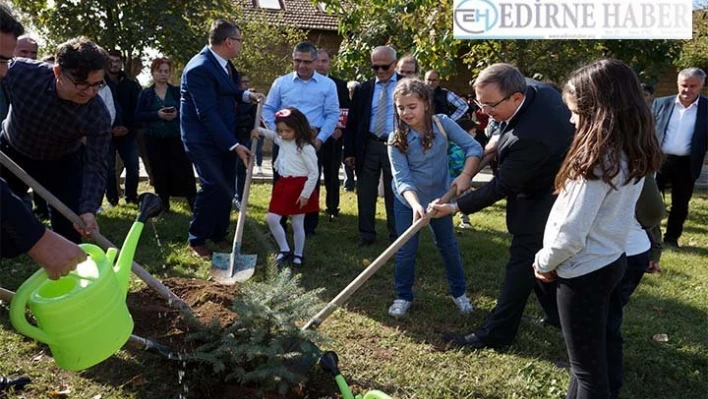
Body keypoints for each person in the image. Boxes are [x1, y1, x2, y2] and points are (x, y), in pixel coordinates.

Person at [532, 59, 663, 399]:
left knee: (588, 371)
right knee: (590, 361)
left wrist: (545, 262)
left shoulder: (595, 163)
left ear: (601, 110)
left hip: (582, 270)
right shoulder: (630, 151)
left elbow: (571, 232)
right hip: (609, 260)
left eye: (576, 112)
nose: (571, 119)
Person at [430, 63, 574, 349]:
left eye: (489, 105)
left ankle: (496, 335)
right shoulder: (531, 87)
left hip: (545, 198)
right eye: (478, 103)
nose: (483, 112)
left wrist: (455, 207)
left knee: (522, 262)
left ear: (516, 98)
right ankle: (558, 315)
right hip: (536, 182)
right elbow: (501, 130)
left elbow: (501, 186)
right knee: (536, 259)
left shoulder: (533, 136)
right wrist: (468, 172)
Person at [0, 36, 112, 243]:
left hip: (61, 163)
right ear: (58, 72)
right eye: (82, 84)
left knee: (70, 228)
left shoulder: (97, 115)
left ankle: (66, 270)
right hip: (10, 151)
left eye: (97, 84)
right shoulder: (22, 73)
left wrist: (88, 208)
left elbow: (96, 165)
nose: (90, 92)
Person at [387, 78, 482, 317]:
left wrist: (465, 175)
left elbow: (474, 148)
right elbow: (402, 179)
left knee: (448, 246)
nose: (406, 112)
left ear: (426, 104)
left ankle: (459, 293)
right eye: (401, 107)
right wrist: (416, 205)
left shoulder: (443, 124)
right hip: (408, 202)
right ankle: (403, 296)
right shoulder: (395, 139)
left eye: (412, 106)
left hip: (441, 200)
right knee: (406, 249)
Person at [180, 19, 263, 259]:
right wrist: (235, 145)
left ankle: (218, 233)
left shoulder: (223, 64)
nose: (240, 45)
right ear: (228, 42)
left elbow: (226, 90)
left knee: (226, 185)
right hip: (203, 139)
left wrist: (247, 96)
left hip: (224, 135)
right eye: (239, 40)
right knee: (213, 185)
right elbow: (206, 113)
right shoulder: (199, 68)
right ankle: (197, 239)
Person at [262, 42, 339, 236]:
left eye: (306, 62)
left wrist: (320, 139)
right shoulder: (281, 83)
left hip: (311, 141)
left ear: (315, 61)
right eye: (297, 61)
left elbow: (332, 114)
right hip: (284, 141)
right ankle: (279, 223)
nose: (302, 66)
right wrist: (277, 132)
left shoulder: (328, 85)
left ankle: (308, 226)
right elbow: (268, 109)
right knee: (281, 181)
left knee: (310, 181)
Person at [343, 46, 400, 247]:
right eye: (376, 67)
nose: (381, 71)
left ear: (395, 63)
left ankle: (397, 235)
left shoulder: (407, 86)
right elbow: (352, 123)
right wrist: (349, 151)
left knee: (396, 192)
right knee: (366, 191)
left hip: (397, 145)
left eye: (385, 67)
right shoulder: (364, 89)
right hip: (369, 145)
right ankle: (366, 234)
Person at [254, 108, 318, 266]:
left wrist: (305, 194)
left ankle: (298, 254)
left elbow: (314, 173)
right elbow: (272, 135)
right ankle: (284, 249)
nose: (283, 134)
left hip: (299, 187)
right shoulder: (282, 139)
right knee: (272, 218)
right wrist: (258, 130)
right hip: (283, 185)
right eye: (280, 131)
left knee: (297, 223)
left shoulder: (305, 148)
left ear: (299, 128)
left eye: (287, 131)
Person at [652, 67, 708, 248]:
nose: (687, 90)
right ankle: (647, 235)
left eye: (693, 86)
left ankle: (671, 238)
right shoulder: (661, 104)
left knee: (680, 204)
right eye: (684, 85)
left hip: (687, 163)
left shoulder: (706, 109)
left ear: (701, 86)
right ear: (678, 84)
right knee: (649, 198)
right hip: (659, 159)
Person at [136, 57, 196, 212]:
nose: (163, 74)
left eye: (166, 71)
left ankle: (194, 203)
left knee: (184, 170)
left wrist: (176, 113)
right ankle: (163, 205)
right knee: (159, 171)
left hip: (176, 138)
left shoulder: (176, 92)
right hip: (154, 138)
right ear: (153, 72)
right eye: (159, 71)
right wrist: (157, 115)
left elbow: (188, 110)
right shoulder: (146, 94)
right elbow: (138, 115)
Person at [315, 48, 350, 221]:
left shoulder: (340, 85)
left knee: (332, 175)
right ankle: (310, 209)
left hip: (333, 139)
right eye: (318, 61)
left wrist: (340, 129)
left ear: (330, 63)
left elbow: (346, 110)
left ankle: (332, 208)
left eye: (324, 61)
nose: (320, 65)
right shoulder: (307, 84)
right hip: (312, 137)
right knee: (311, 174)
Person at [105, 49, 141, 206]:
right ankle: (112, 199)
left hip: (128, 132)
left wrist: (128, 127)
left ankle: (131, 197)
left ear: (122, 63)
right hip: (106, 133)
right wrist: (109, 128)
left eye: (117, 61)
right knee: (108, 168)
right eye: (111, 61)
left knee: (133, 165)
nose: (114, 65)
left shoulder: (131, 85)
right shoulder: (99, 83)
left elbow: (137, 109)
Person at [343, 80, 360, 191]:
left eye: (353, 90)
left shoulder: (362, 103)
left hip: (358, 138)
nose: (351, 92)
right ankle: (348, 184)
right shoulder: (344, 102)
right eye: (349, 90)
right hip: (344, 137)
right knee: (346, 162)